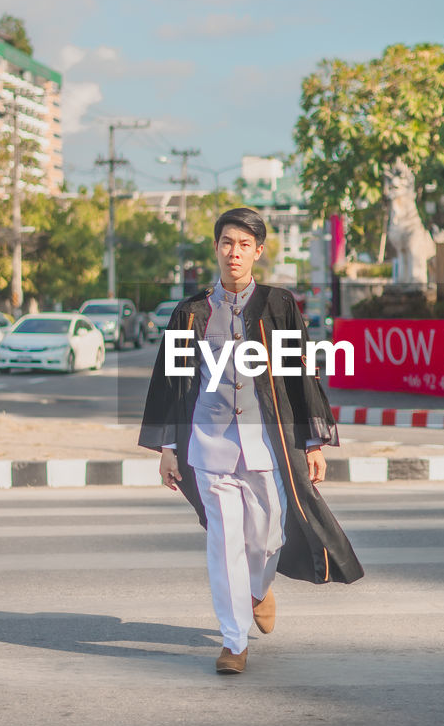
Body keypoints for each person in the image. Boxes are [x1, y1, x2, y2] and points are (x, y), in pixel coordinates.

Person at [139, 207, 363, 675]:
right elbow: (173, 381)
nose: (233, 252)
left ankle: (259, 589)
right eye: (226, 243)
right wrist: (168, 447)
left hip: (266, 445)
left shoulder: (279, 305)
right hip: (209, 444)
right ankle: (233, 640)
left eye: (244, 245)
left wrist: (313, 443)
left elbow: (299, 374)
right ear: (216, 248)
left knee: (267, 538)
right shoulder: (190, 312)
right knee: (224, 545)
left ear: (259, 251)